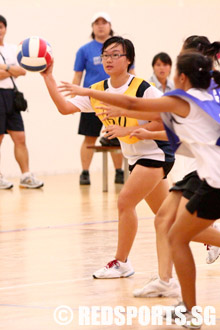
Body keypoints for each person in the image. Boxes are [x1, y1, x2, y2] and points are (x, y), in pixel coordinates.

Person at [67, 50, 220, 328]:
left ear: (182, 77)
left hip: (215, 181)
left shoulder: (183, 99)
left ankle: (189, 309)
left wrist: (84, 90)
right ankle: (183, 302)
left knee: (176, 236)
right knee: (170, 226)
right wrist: (145, 131)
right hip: (209, 176)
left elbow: (130, 101)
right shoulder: (212, 96)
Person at [42, 36, 175, 279]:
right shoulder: (99, 90)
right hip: (136, 158)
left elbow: (165, 122)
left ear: (129, 60)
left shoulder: (144, 88)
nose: (109, 59)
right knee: (170, 218)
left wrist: (126, 130)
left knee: (125, 202)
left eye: (115, 55)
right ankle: (212, 235)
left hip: (156, 152)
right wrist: (47, 77)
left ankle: (122, 262)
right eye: (105, 55)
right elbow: (65, 107)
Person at [73, 12, 126, 185]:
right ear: (92, 27)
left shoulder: (121, 49)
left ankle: (119, 172)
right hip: (91, 99)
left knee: (115, 135)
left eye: (104, 22)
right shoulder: (84, 50)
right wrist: (75, 99)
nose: (101, 26)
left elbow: (131, 73)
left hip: (115, 99)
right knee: (89, 137)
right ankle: (85, 172)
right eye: (97, 23)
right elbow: (77, 76)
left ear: (110, 26)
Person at [0, 15, 43, 189]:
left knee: (20, 137)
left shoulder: (11, 49)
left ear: (5, 29)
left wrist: (6, 68)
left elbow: (23, 70)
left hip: (12, 96)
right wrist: (12, 70)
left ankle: (25, 176)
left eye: (1, 27)